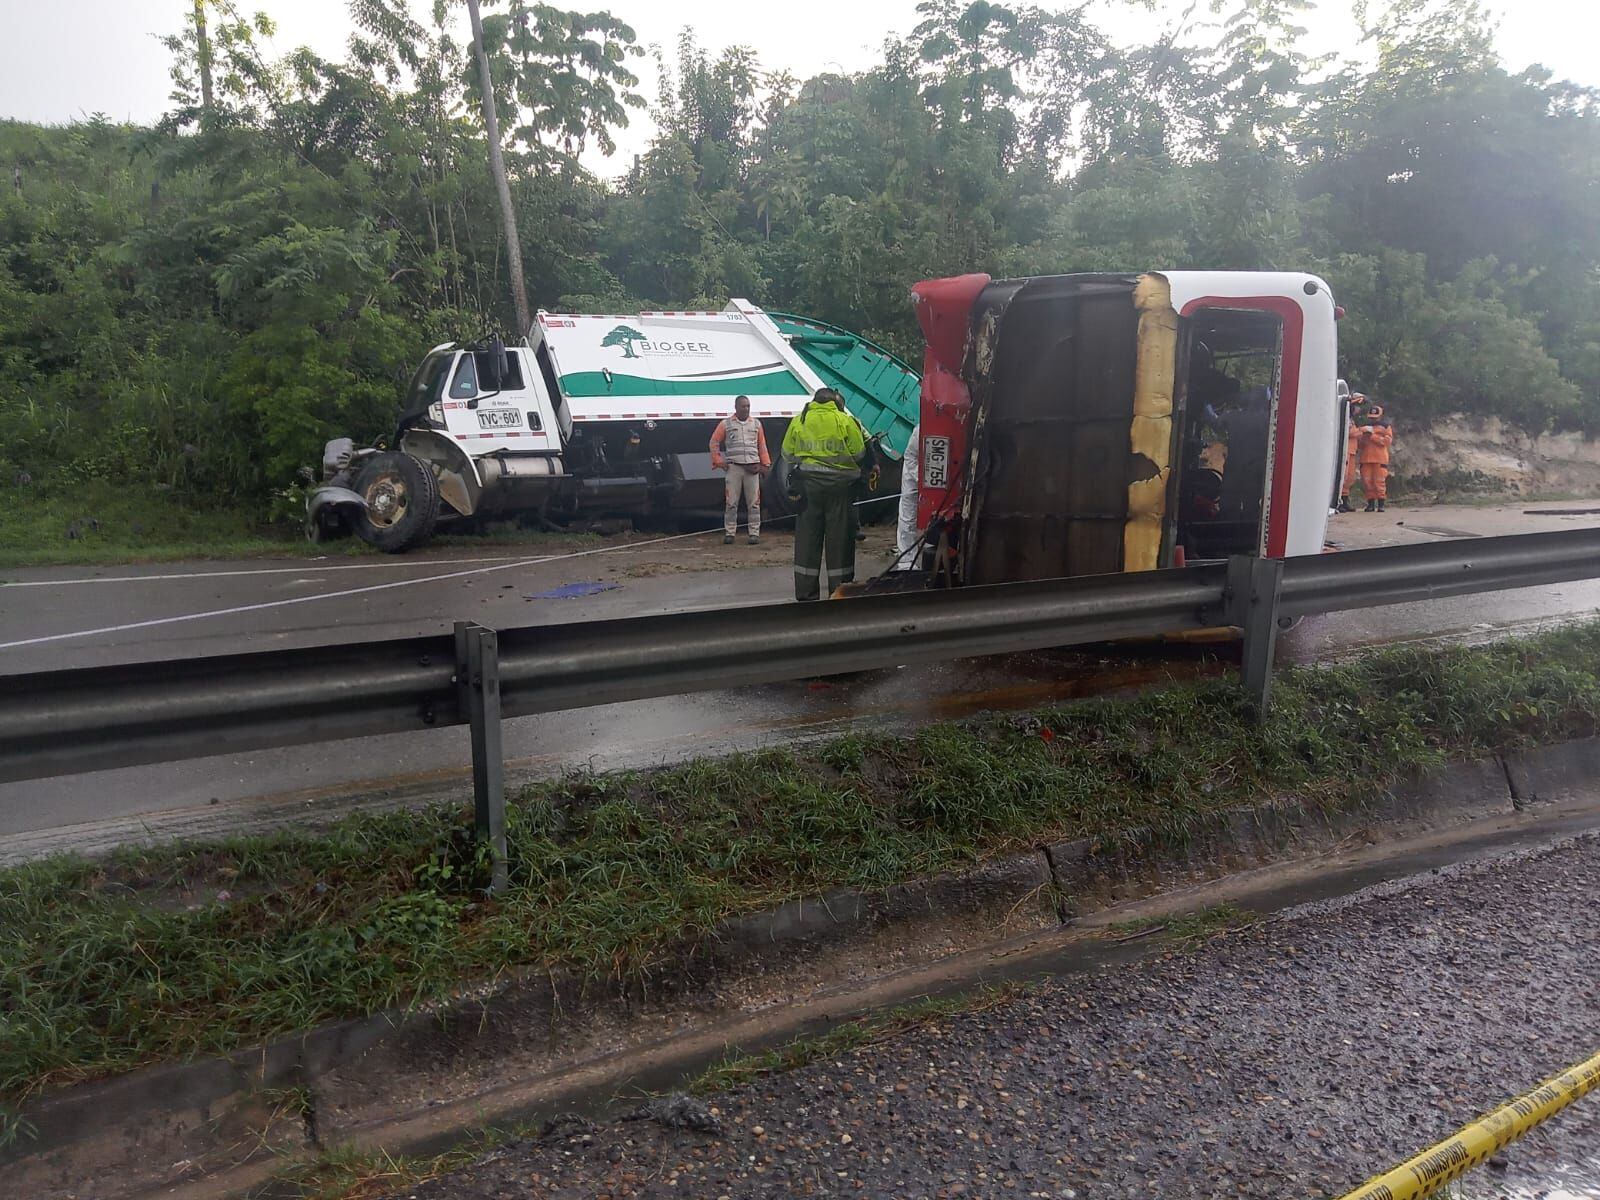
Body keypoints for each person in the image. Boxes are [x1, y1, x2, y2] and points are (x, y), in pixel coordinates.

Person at [782, 387, 865, 600]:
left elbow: (787, 454)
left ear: (815, 401)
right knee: (840, 541)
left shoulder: (800, 420)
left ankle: (806, 595)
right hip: (840, 489)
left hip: (808, 490)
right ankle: (839, 592)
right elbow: (859, 453)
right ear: (834, 402)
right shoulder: (844, 420)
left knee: (808, 540)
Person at [709, 395, 770, 544]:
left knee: (754, 503)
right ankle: (730, 533)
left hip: (752, 468)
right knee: (731, 502)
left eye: (748, 406)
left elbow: (762, 446)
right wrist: (719, 462)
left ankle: (754, 533)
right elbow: (714, 442)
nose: (746, 409)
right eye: (743, 406)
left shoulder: (756, 424)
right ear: (736, 407)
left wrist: (765, 465)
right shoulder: (726, 424)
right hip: (734, 468)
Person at [1358, 402, 1394, 512]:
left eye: (1375, 417)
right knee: (1367, 482)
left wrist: (1372, 435)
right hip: (1366, 458)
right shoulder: (1365, 427)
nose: (1373, 420)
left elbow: (1386, 442)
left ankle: (1381, 504)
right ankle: (1370, 504)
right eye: (1371, 418)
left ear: (1380, 416)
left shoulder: (1385, 427)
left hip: (1380, 459)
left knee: (1379, 482)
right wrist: (1363, 434)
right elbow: (1360, 444)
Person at [895, 423, 921, 569]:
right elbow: (910, 456)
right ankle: (906, 560)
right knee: (908, 516)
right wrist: (922, 480)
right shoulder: (920, 430)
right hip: (913, 474)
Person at [1338, 393, 1366, 513]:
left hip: (1351, 451)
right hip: (1346, 451)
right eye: (1358, 406)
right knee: (1343, 477)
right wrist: (1362, 430)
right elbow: (1350, 432)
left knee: (1349, 478)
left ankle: (1344, 501)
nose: (1359, 409)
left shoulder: (1351, 419)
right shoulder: (1345, 418)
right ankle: (1339, 502)